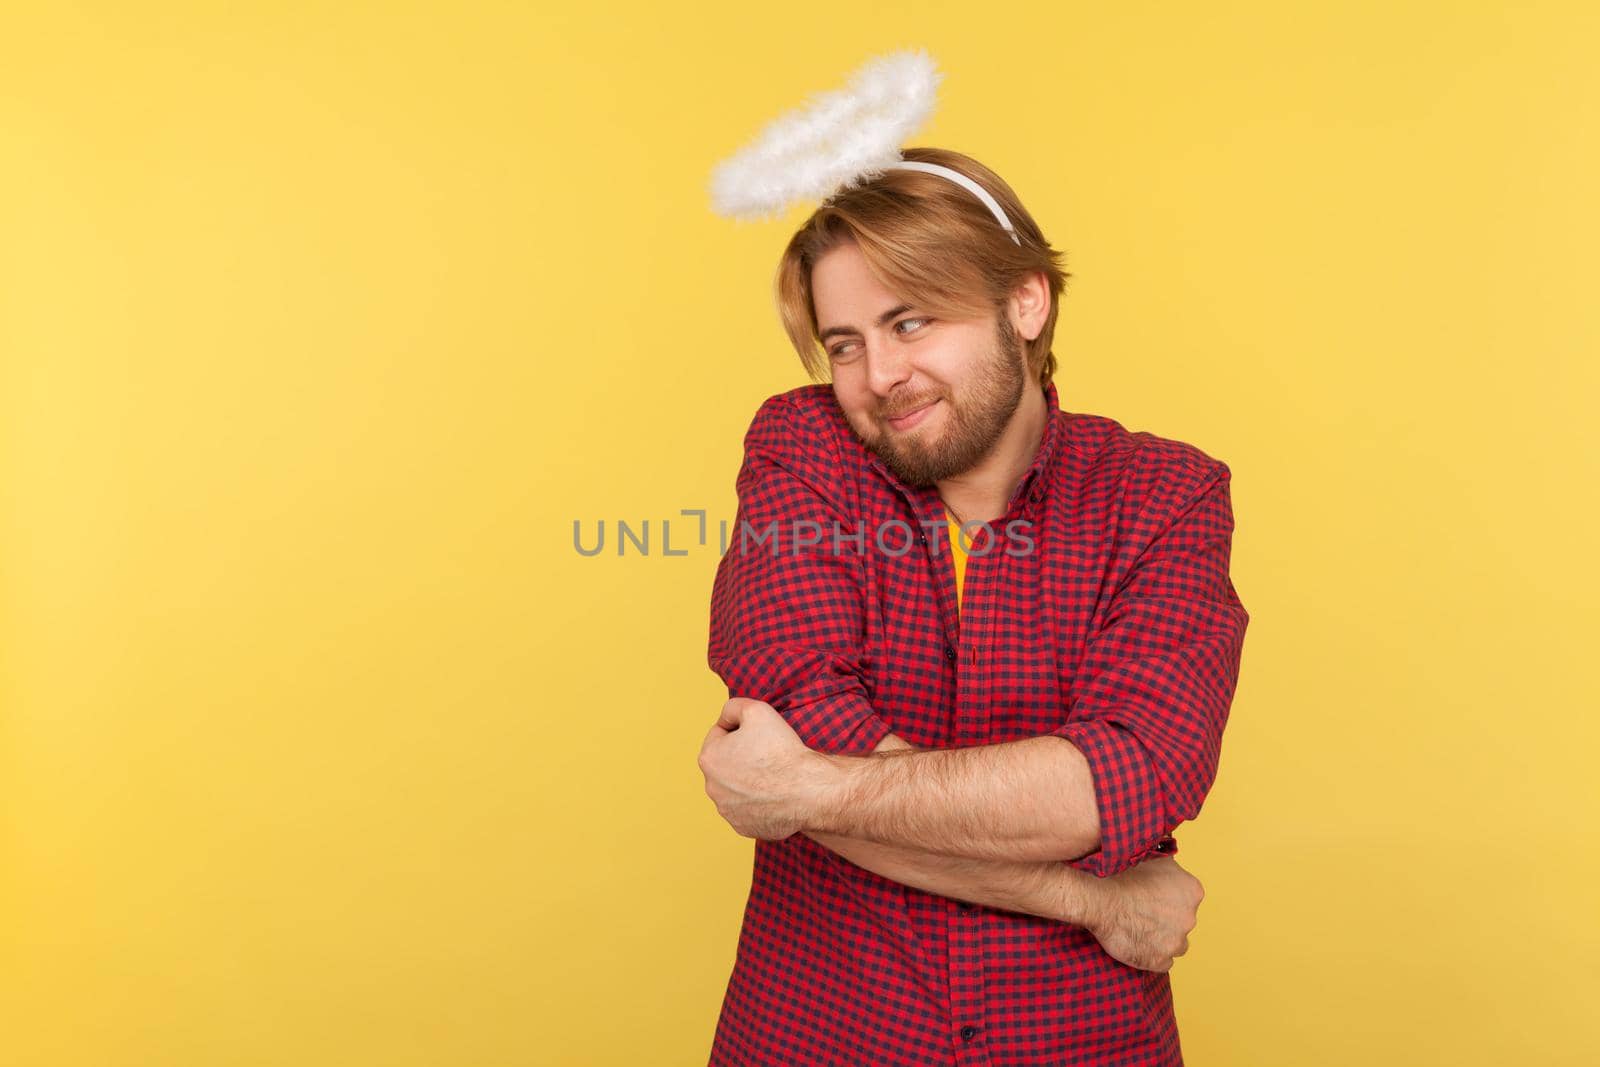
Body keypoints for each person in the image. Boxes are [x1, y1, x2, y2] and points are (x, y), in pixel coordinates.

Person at [696, 145, 1250, 1066]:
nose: (879, 375)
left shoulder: (1168, 494)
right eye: (846, 343)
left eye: (910, 322)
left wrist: (811, 789)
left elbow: (1123, 778)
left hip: (1080, 1041)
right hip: (817, 1035)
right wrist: (1095, 900)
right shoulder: (802, 447)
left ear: (1024, 302)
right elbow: (799, 719)